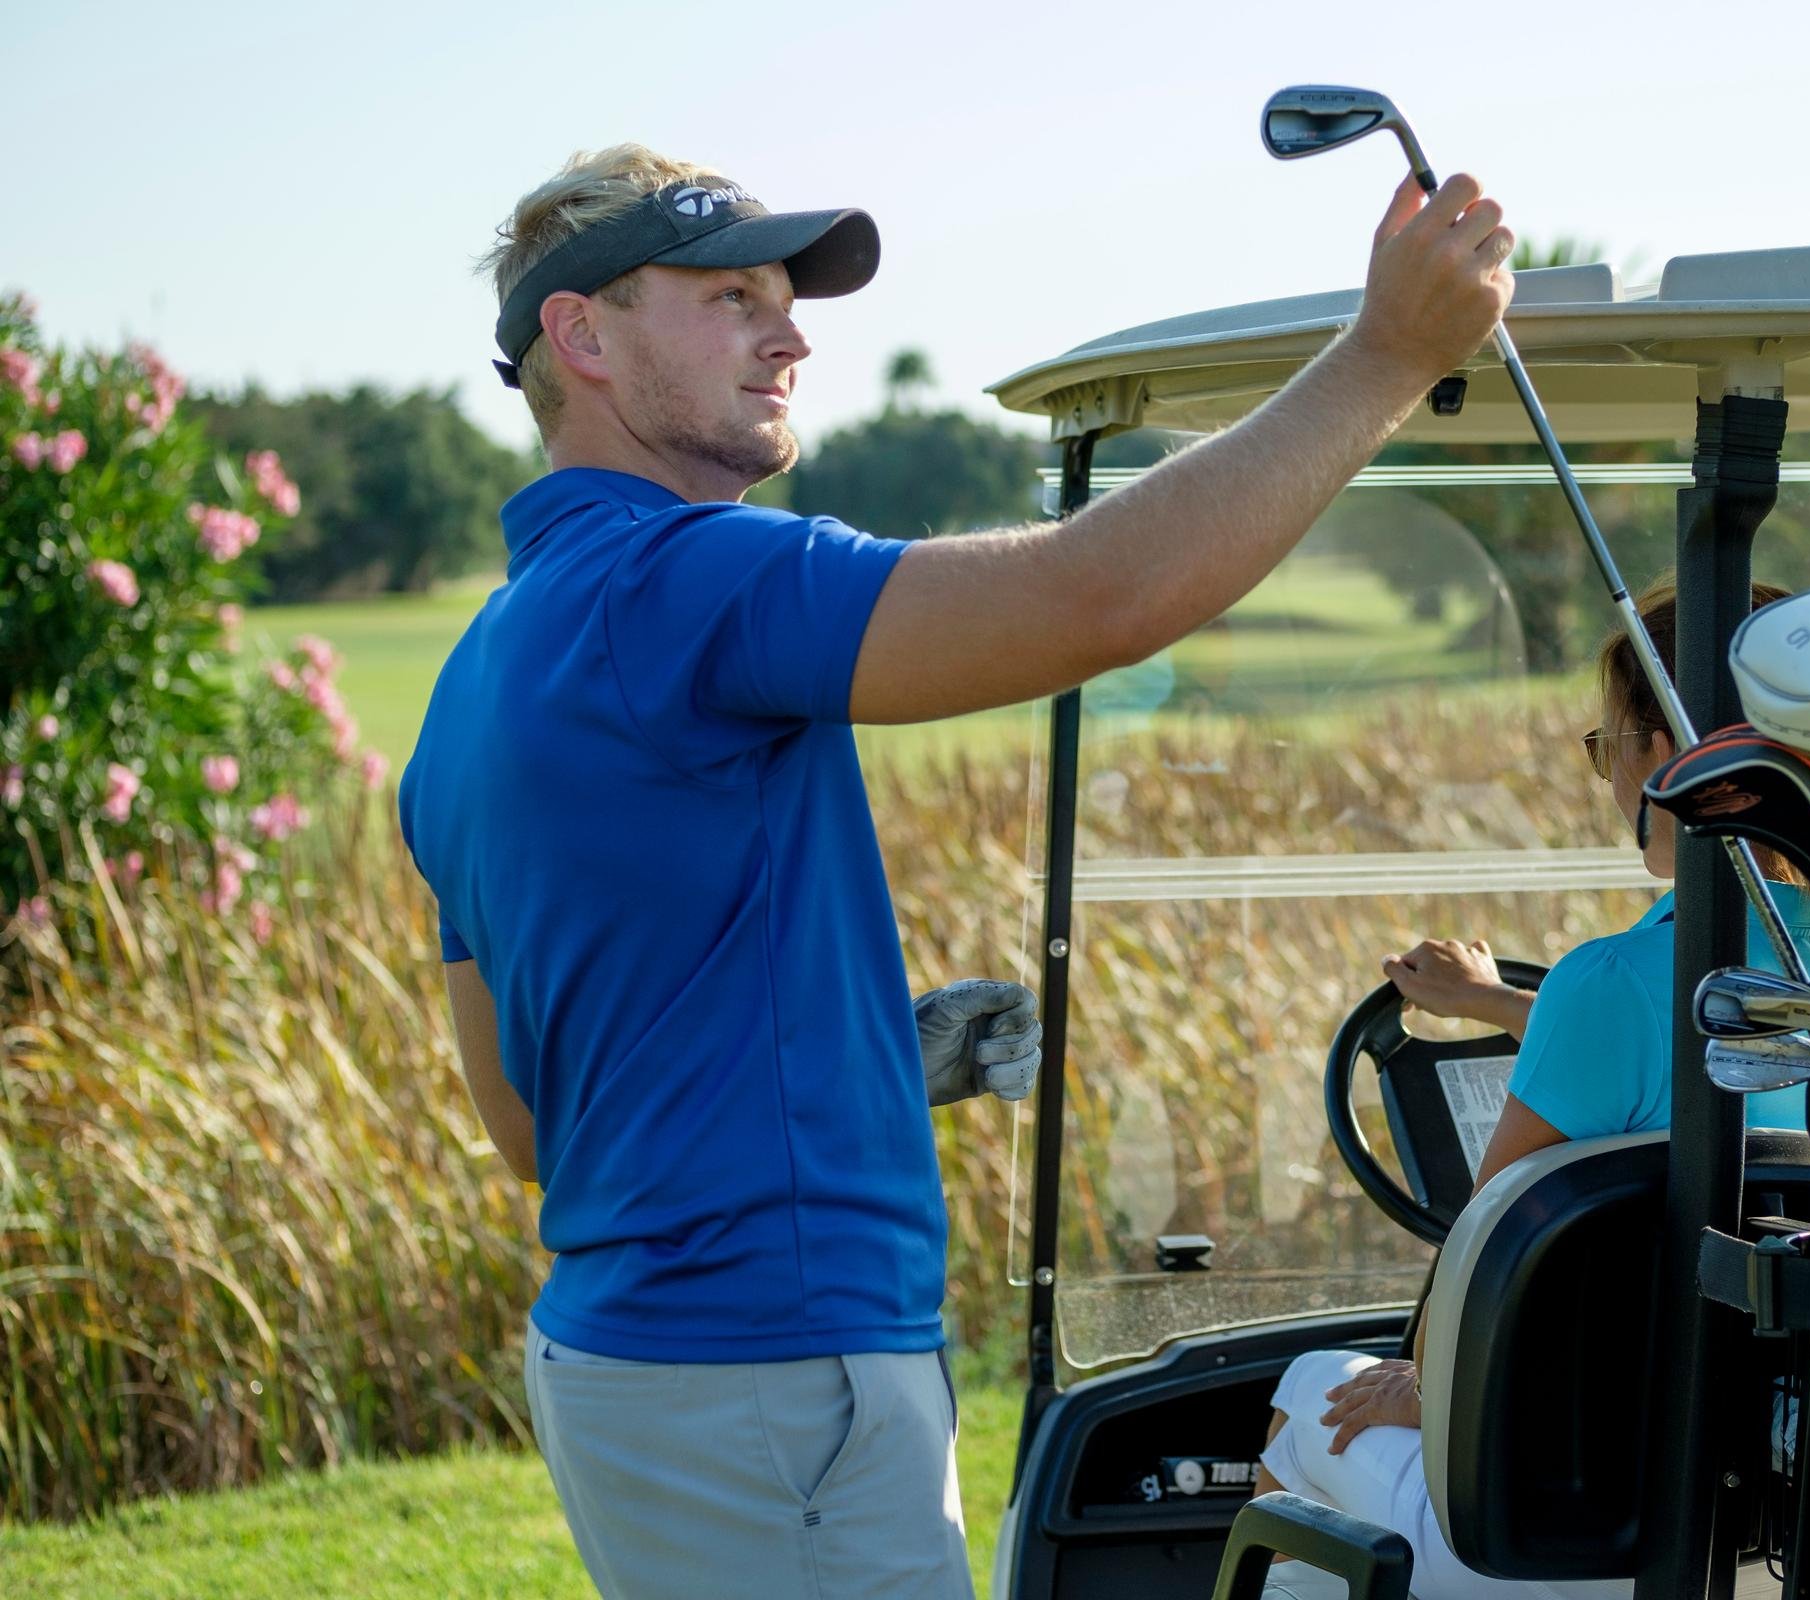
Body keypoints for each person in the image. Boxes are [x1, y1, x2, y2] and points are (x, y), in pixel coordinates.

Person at [394, 144, 1513, 1600]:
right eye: (731, 299)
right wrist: (1386, 355)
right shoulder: (680, 579)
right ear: (582, 336)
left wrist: (867, 1058)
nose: (789, 336)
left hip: (633, 1364)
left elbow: (536, 1124)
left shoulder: (473, 681)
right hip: (769, 1372)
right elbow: (1091, 594)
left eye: (785, 299)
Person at [1253, 580, 1810, 1600]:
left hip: (1570, 1536)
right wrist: (1494, 1001)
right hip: (1777, 1534)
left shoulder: (1609, 984)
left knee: (1311, 1393)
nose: (1608, 775)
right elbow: (1682, 1059)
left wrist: (1423, 1384)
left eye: (1607, 745)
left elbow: (1483, 1259)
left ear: (1663, 753)